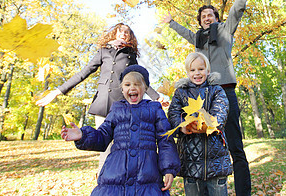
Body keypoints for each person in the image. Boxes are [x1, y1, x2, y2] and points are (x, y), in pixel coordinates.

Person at [162, 0, 258, 195]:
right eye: (203, 15)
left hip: (225, 91)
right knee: (204, 142)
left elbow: (238, 7)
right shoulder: (198, 39)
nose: (207, 17)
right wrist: (171, 22)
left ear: (216, 18)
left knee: (235, 145)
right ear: (200, 20)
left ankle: (243, 192)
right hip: (202, 96)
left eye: (211, 15)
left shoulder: (224, 32)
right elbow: (185, 32)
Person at [36, 23, 159, 172]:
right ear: (114, 34)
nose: (124, 34)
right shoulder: (103, 51)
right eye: (120, 31)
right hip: (103, 104)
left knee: (123, 145)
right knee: (104, 146)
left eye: (127, 32)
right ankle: (103, 181)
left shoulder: (130, 55)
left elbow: (139, 78)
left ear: (130, 36)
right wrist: (58, 91)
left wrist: (156, 97)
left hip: (122, 105)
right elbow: (83, 73)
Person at [61, 65, 180, 196]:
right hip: (116, 173)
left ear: (145, 88)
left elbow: (165, 140)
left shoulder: (154, 109)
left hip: (146, 174)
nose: (132, 88)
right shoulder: (116, 110)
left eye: (137, 84)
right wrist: (82, 135)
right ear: (122, 89)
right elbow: (102, 136)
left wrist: (169, 169)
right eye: (127, 84)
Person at [168, 52, 231, 196]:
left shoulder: (217, 90)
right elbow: (173, 114)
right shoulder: (180, 93)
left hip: (216, 160)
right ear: (187, 72)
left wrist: (209, 126)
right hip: (191, 161)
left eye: (201, 69)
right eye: (193, 70)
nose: (197, 73)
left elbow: (221, 111)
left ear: (208, 71)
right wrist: (182, 126)